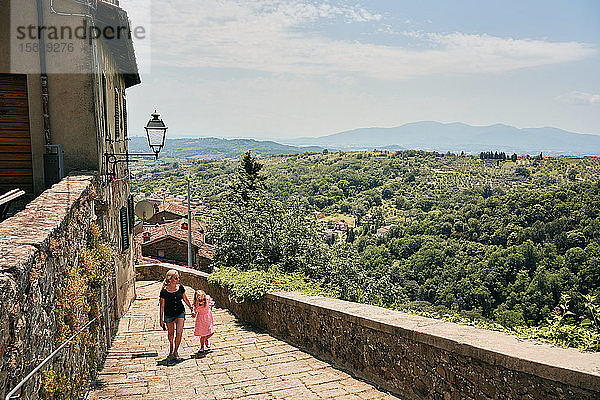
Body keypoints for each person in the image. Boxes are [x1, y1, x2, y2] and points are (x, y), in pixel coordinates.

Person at [159, 270, 193, 360]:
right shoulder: (164, 291)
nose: (178, 279)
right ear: (170, 279)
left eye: (178, 277)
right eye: (176, 278)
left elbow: (185, 298)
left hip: (180, 312)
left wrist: (191, 308)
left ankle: (176, 351)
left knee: (179, 333)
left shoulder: (180, 288)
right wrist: (161, 319)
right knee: (171, 334)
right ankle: (171, 345)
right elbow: (162, 306)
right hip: (169, 314)